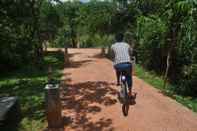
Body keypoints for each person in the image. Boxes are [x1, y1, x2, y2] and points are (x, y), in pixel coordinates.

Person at [111, 33, 134, 97]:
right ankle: (130, 93)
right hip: (127, 64)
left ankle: (118, 81)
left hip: (118, 65)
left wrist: (114, 59)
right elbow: (130, 53)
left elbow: (112, 55)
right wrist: (130, 56)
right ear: (123, 38)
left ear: (115, 39)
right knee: (129, 77)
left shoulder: (113, 46)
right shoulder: (127, 44)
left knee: (117, 69)